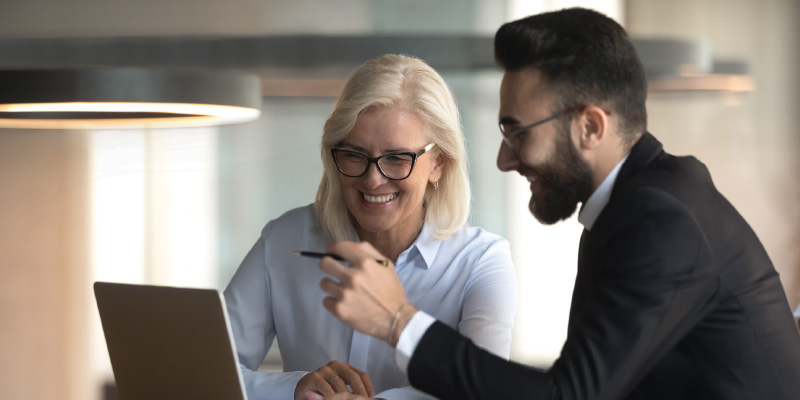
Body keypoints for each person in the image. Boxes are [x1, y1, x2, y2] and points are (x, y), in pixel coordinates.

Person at [313, 8, 800, 400]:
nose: (505, 159)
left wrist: (398, 320)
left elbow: (567, 394)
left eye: (517, 132)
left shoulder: (659, 219)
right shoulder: (640, 203)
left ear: (590, 127)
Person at [223, 54, 518, 400]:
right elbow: (206, 372)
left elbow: (486, 392)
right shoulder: (283, 240)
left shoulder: (480, 263)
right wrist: (295, 388)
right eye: (354, 155)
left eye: (396, 158)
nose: (373, 179)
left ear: (438, 163)